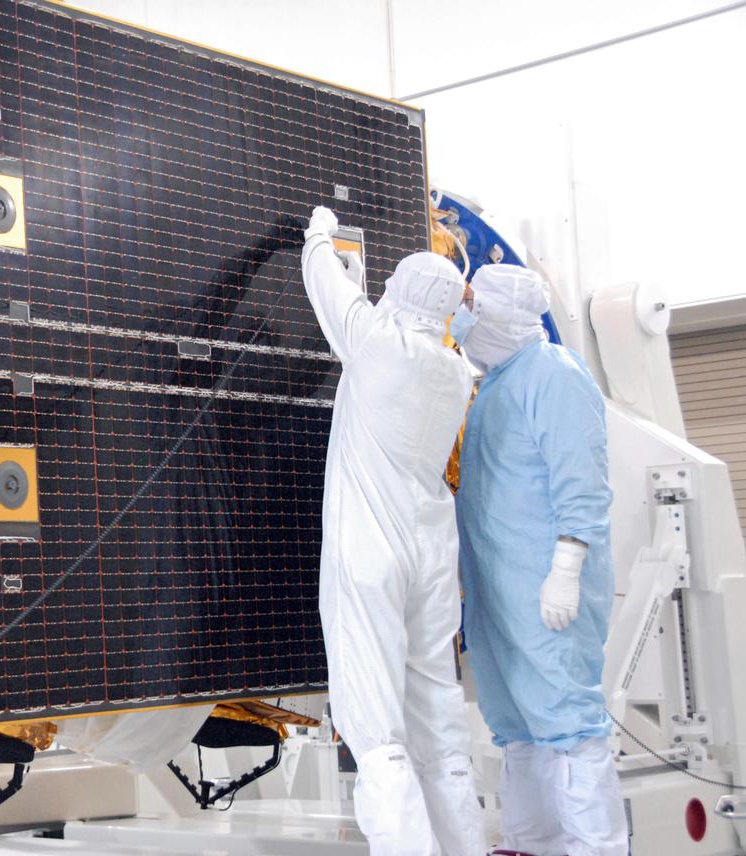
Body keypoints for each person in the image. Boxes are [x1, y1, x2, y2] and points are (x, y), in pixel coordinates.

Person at [301, 206, 485, 856]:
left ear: (398, 294)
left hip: (373, 559)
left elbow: (326, 288)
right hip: (431, 561)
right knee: (440, 738)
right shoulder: (453, 370)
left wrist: (319, 234)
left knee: (377, 734)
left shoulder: (377, 344)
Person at [455, 263, 626, 856]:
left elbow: (582, 483)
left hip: (545, 589)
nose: (464, 319)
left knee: (569, 724)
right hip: (500, 592)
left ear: (503, 314)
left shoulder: (552, 374)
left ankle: (596, 848)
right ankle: (532, 844)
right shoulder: (494, 385)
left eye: (474, 307)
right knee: (519, 725)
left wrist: (568, 568)